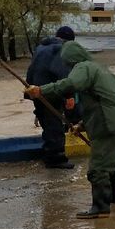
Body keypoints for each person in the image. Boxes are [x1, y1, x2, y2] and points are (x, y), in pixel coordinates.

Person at [26, 41, 115, 219]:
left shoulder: (83, 67)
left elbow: (70, 84)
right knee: (113, 168)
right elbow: (103, 102)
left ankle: (100, 209)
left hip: (107, 125)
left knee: (98, 169)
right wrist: (81, 126)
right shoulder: (103, 70)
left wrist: (41, 91)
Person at [25, 25, 76, 169]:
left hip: (35, 90)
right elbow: (64, 75)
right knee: (55, 125)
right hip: (49, 92)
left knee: (47, 123)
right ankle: (56, 159)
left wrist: (30, 92)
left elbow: (31, 71)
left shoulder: (40, 48)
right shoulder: (60, 49)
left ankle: (48, 153)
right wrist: (69, 96)